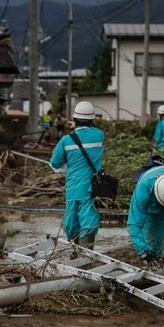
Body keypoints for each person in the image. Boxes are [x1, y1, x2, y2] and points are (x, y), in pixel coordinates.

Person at [49, 101, 103, 249]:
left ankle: (75, 251)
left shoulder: (66, 140)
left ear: (74, 119)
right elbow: (91, 130)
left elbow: (54, 162)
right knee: (89, 219)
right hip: (91, 187)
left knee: (71, 220)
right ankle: (87, 254)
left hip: (73, 187)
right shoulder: (99, 135)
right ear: (92, 119)